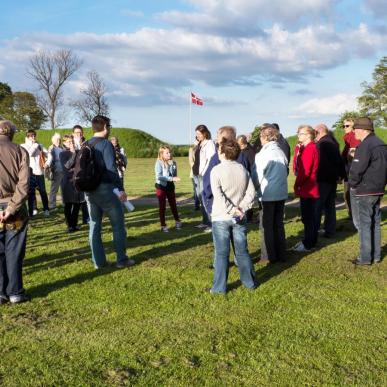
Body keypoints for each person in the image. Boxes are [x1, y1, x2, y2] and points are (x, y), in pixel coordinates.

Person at [85, 115, 135, 269]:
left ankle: (98, 262)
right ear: (105, 127)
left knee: (94, 226)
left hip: (89, 191)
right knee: (118, 225)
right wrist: (120, 190)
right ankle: (122, 259)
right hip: (106, 189)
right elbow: (112, 170)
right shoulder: (106, 144)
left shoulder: (85, 143)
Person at [209, 138, 257, 294]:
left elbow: (218, 195)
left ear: (223, 152)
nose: (217, 151)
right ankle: (250, 282)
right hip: (239, 216)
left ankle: (218, 288)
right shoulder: (243, 170)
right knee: (242, 251)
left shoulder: (216, 170)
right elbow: (251, 193)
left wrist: (234, 209)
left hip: (222, 217)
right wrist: (240, 208)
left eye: (219, 149)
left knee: (222, 254)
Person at [348, 117, 386, 265]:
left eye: (355, 129)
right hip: (378, 189)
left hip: (365, 190)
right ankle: (375, 256)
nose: (354, 132)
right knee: (375, 223)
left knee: (364, 225)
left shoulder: (365, 145)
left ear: (363, 129)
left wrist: (352, 184)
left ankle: (365, 258)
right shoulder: (381, 143)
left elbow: (357, 169)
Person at [0, 120, 30, 304]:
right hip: (16, 209)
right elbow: (24, 184)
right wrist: (11, 208)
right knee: (15, 250)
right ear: (11, 133)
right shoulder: (20, 151)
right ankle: (15, 292)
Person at [254, 126, 288, 263]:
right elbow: (285, 172)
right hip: (280, 192)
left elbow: (258, 175)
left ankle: (268, 256)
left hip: (268, 194)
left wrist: (254, 189)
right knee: (278, 224)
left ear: (265, 137)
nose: (260, 140)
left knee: (267, 226)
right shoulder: (280, 151)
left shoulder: (263, 154)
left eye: (261, 137)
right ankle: (281, 253)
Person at [292, 125, 320, 252]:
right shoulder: (309, 147)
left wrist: (297, 184)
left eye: (301, 133)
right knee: (310, 217)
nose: (298, 135)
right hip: (309, 187)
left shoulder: (310, 148)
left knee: (308, 218)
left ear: (308, 135)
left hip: (308, 188)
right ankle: (310, 241)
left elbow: (305, 171)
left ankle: (308, 243)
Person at [315, 124, 345, 238]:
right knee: (330, 206)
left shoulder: (323, 143)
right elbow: (338, 160)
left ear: (319, 132)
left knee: (318, 206)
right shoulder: (332, 142)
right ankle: (330, 230)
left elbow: (321, 163)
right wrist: (340, 175)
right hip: (332, 179)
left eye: (315, 133)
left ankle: (315, 229)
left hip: (323, 179)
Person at [192, 125, 216, 232]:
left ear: (205, 133)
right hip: (196, 174)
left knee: (206, 199)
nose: (197, 136)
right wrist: (196, 146)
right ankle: (205, 221)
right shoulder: (199, 144)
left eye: (199, 134)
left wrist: (204, 172)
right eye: (196, 134)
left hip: (204, 174)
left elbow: (211, 160)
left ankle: (211, 223)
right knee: (201, 199)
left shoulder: (209, 143)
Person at [21, 129, 50, 217]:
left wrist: (47, 163)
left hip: (39, 172)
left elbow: (49, 155)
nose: (33, 137)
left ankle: (46, 209)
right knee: (31, 193)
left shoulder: (39, 145)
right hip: (29, 173)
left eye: (34, 135)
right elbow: (29, 154)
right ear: (27, 137)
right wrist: (35, 145)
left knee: (43, 192)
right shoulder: (23, 146)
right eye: (30, 136)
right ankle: (33, 210)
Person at [60, 135, 85, 232]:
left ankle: (74, 224)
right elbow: (67, 165)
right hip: (67, 182)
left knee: (77, 204)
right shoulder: (63, 154)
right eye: (69, 142)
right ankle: (69, 225)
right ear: (64, 143)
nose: (71, 144)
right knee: (68, 205)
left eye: (72, 142)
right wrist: (74, 154)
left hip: (77, 182)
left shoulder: (78, 152)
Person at [155, 145, 182, 232]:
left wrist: (175, 178)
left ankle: (177, 221)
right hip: (161, 187)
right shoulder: (158, 162)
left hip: (170, 186)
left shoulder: (173, 163)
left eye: (170, 152)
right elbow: (159, 176)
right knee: (162, 206)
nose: (169, 154)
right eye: (167, 153)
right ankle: (163, 225)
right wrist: (171, 178)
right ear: (161, 154)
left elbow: (174, 175)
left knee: (173, 204)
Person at [341, 118, 361, 219]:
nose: (345, 128)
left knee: (350, 195)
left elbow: (353, 155)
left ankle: (354, 217)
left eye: (347, 125)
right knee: (347, 195)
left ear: (353, 126)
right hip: (347, 171)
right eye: (343, 126)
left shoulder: (354, 137)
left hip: (351, 172)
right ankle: (353, 216)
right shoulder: (347, 138)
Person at [73, 125, 89, 224]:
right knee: (75, 200)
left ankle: (86, 218)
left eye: (80, 132)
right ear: (73, 134)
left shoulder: (86, 143)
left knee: (85, 199)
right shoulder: (69, 144)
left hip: (84, 174)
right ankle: (72, 221)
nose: (78, 134)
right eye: (76, 133)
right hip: (73, 175)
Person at [47, 133, 64, 210]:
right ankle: (52, 205)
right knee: (54, 189)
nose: (59, 141)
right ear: (53, 141)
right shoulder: (51, 148)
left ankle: (65, 202)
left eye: (59, 139)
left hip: (63, 170)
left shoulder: (62, 147)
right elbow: (50, 159)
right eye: (57, 140)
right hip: (56, 170)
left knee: (64, 188)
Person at [188, 140, 201, 211]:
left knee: (199, 189)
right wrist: (196, 169)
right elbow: (191, 161)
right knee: (196, 190)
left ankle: (199, 204)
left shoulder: (203, 148)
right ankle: (197, 205)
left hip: (202, 172)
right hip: (194, 172)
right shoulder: (192, 149)